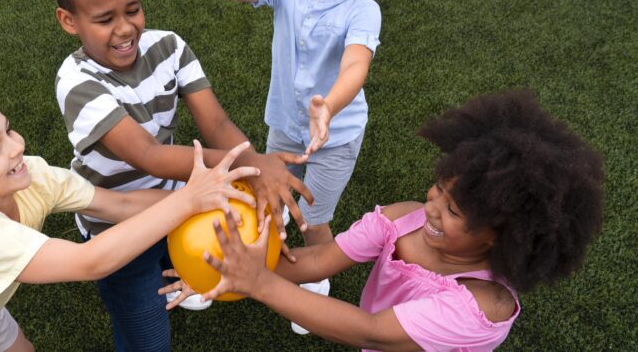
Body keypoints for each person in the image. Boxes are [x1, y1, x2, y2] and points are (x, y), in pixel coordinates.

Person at [175, 90, 605, 351]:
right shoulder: (404, 219)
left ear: (500, 237)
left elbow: (372, 332)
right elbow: (319, 260)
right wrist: (230, 269)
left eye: (453, 210)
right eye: (439, 187)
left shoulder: (479, 308)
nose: (432, 206)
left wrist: (259, 283)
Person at [49, 0, 313, 350]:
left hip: (181, 205)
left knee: (190, 265)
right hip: (118, 227)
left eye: (132, 10)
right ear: (69, 21)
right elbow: (149, 156)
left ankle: (173, 265)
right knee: (148, 340)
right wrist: (250, 165)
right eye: (104, 19)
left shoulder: (169, 47)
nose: (125, 28)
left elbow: (217, 122)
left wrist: (250, 163)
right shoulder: (76, 83)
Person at [0, 84, 258, 351]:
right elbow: (91, 261)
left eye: (8, 131)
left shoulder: (33, 177)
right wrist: (187, 200)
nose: (16, 147)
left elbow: (119, 206)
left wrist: (208, 197)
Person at [182, 0, 385, 322]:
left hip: (336, 136)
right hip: (286, 126)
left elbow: (355, 64)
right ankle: (230, 262)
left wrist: (328, 107)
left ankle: (315, 282)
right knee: (265, 193)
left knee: (313, 219)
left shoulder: (363, 9)